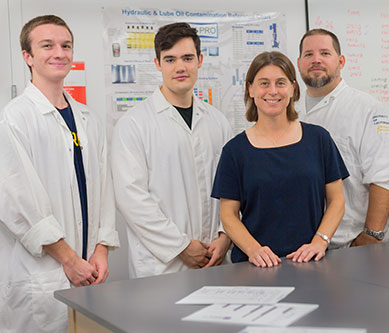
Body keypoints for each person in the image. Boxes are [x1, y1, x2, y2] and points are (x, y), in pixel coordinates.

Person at [0, 15, 119, 333]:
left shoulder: (88, 118)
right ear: (27, 56)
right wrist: (68, 259)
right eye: (47, 45)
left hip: (90, 269)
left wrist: (101, 249)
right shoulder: (14, 118)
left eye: (66, 46)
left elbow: (103, 190)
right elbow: (18, 203)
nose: (59, 53)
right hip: (42, 274)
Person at [112, 23, 233, 277]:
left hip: (215, 257)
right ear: (157, 64)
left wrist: (225, 236)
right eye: (170, 59)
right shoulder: (134, 124)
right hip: (162, 266)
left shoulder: (217, 121)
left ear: (199, 60)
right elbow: (131, 199)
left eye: (187, 58)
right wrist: (181, 246)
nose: (180, 67)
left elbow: (232, 189)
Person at [211, 51, 348, 268]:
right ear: (251, 89)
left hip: (310, 262)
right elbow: (228, 215)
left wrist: (320, 241)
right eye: (264, 83)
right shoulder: (234, 151)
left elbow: (337, 200)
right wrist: (253, 250)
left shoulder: (318, 139)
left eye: (281, 83)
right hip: (253, 266)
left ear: (293, 88)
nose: (273, 91)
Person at [296, 29, 389, 248]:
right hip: (302, 246)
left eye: (325, 53)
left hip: (352, 244)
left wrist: (372, 235)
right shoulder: (291, 113)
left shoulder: (367, 109)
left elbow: (384, 177)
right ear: (298, 63)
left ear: (341, 61)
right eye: (308, 54)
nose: (316, 60)